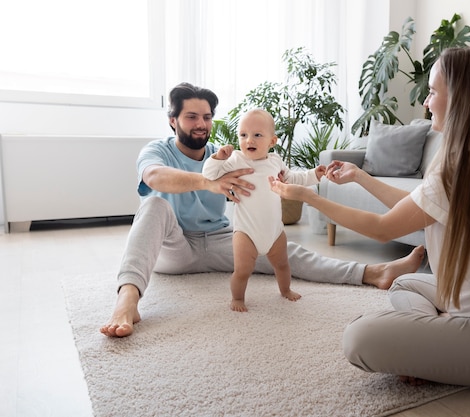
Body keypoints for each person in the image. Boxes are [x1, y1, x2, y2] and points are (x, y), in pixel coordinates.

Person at [269, 48, 470, 389]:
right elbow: (421, 207)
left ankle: (436, 340)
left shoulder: (465, 166)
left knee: (359, 338)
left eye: (432, 92)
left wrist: (311, 197)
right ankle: (440, 335)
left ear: (460, 99)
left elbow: (384, 229)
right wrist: (361, 177)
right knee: (403, 284)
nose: (426, 103)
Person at [100, 82, 423, 337]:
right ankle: (127, 301)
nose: (201, 124)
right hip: (175, 248)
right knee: (154, 205)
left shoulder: (227, 153)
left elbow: (282, 174)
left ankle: (373, 273)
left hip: (219, 239)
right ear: (173, 120)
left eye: (207, 117)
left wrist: (312, 176)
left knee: (284, 251)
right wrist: (209, 182)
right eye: (191, 117)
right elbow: (155, 177)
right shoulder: (158, 150)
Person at [202, 109, 325, 312]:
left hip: (275, 231)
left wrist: (314, 174)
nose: (249, 140)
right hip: (246, 232)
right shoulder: (236, 159)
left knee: (283, 265)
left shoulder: (275, 161)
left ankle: (285, 290)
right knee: (242, 270)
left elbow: (293, 179)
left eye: (257, 135)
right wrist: (218, 157)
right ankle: (238, 298)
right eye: (243, 135)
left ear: (272, 141)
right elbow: (209, 174)